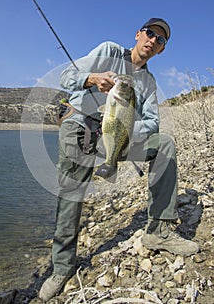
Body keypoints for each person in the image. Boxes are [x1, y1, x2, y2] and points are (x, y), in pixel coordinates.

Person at [39, 18, 199, 302]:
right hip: (79, 130)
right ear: (138, 35)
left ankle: (158, 231)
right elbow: (65, 77)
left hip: (117, 138)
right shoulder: (110, 51)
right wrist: (91, 78)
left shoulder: (149, 82)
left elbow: (152, 123)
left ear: (161, 50)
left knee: (163, 145)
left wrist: (123, 130)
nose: (153, 40)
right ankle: (62, 267)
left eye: (160, 40)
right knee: (70, 196)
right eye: (150, 33)